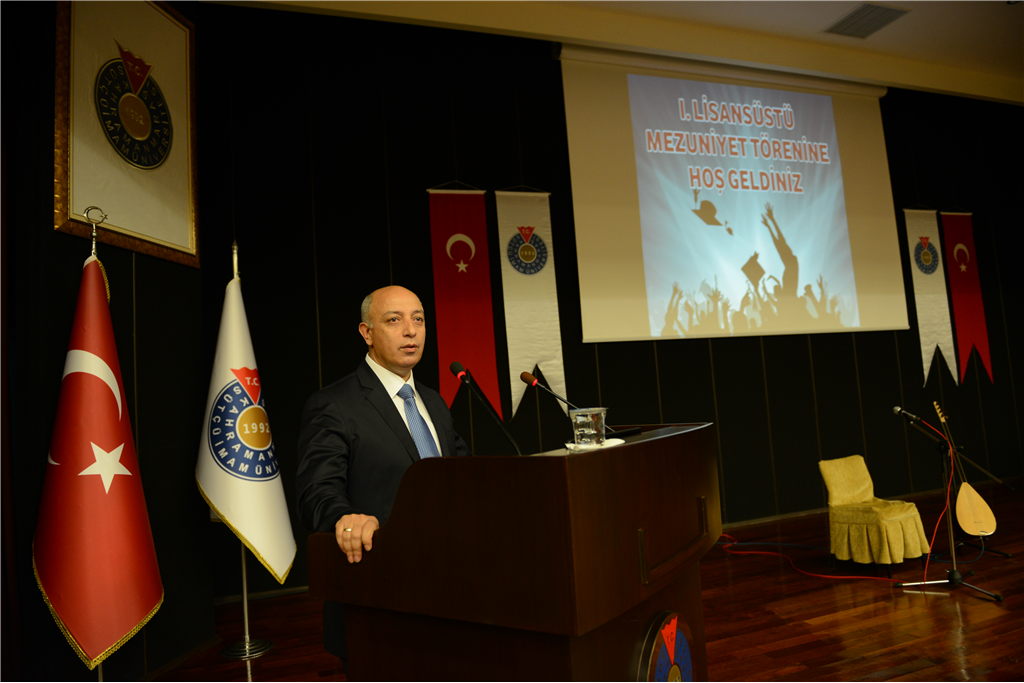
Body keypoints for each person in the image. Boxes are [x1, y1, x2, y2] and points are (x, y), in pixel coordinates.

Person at [295, 285, 471, 660]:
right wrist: (344, 518)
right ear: (367, 333)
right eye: (394, 320)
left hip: (452, 588)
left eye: (418, 319)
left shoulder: (434, 401)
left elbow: (463, 476)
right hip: (380, 592)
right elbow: (316, 493)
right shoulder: (334, 404)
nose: (411, 330)